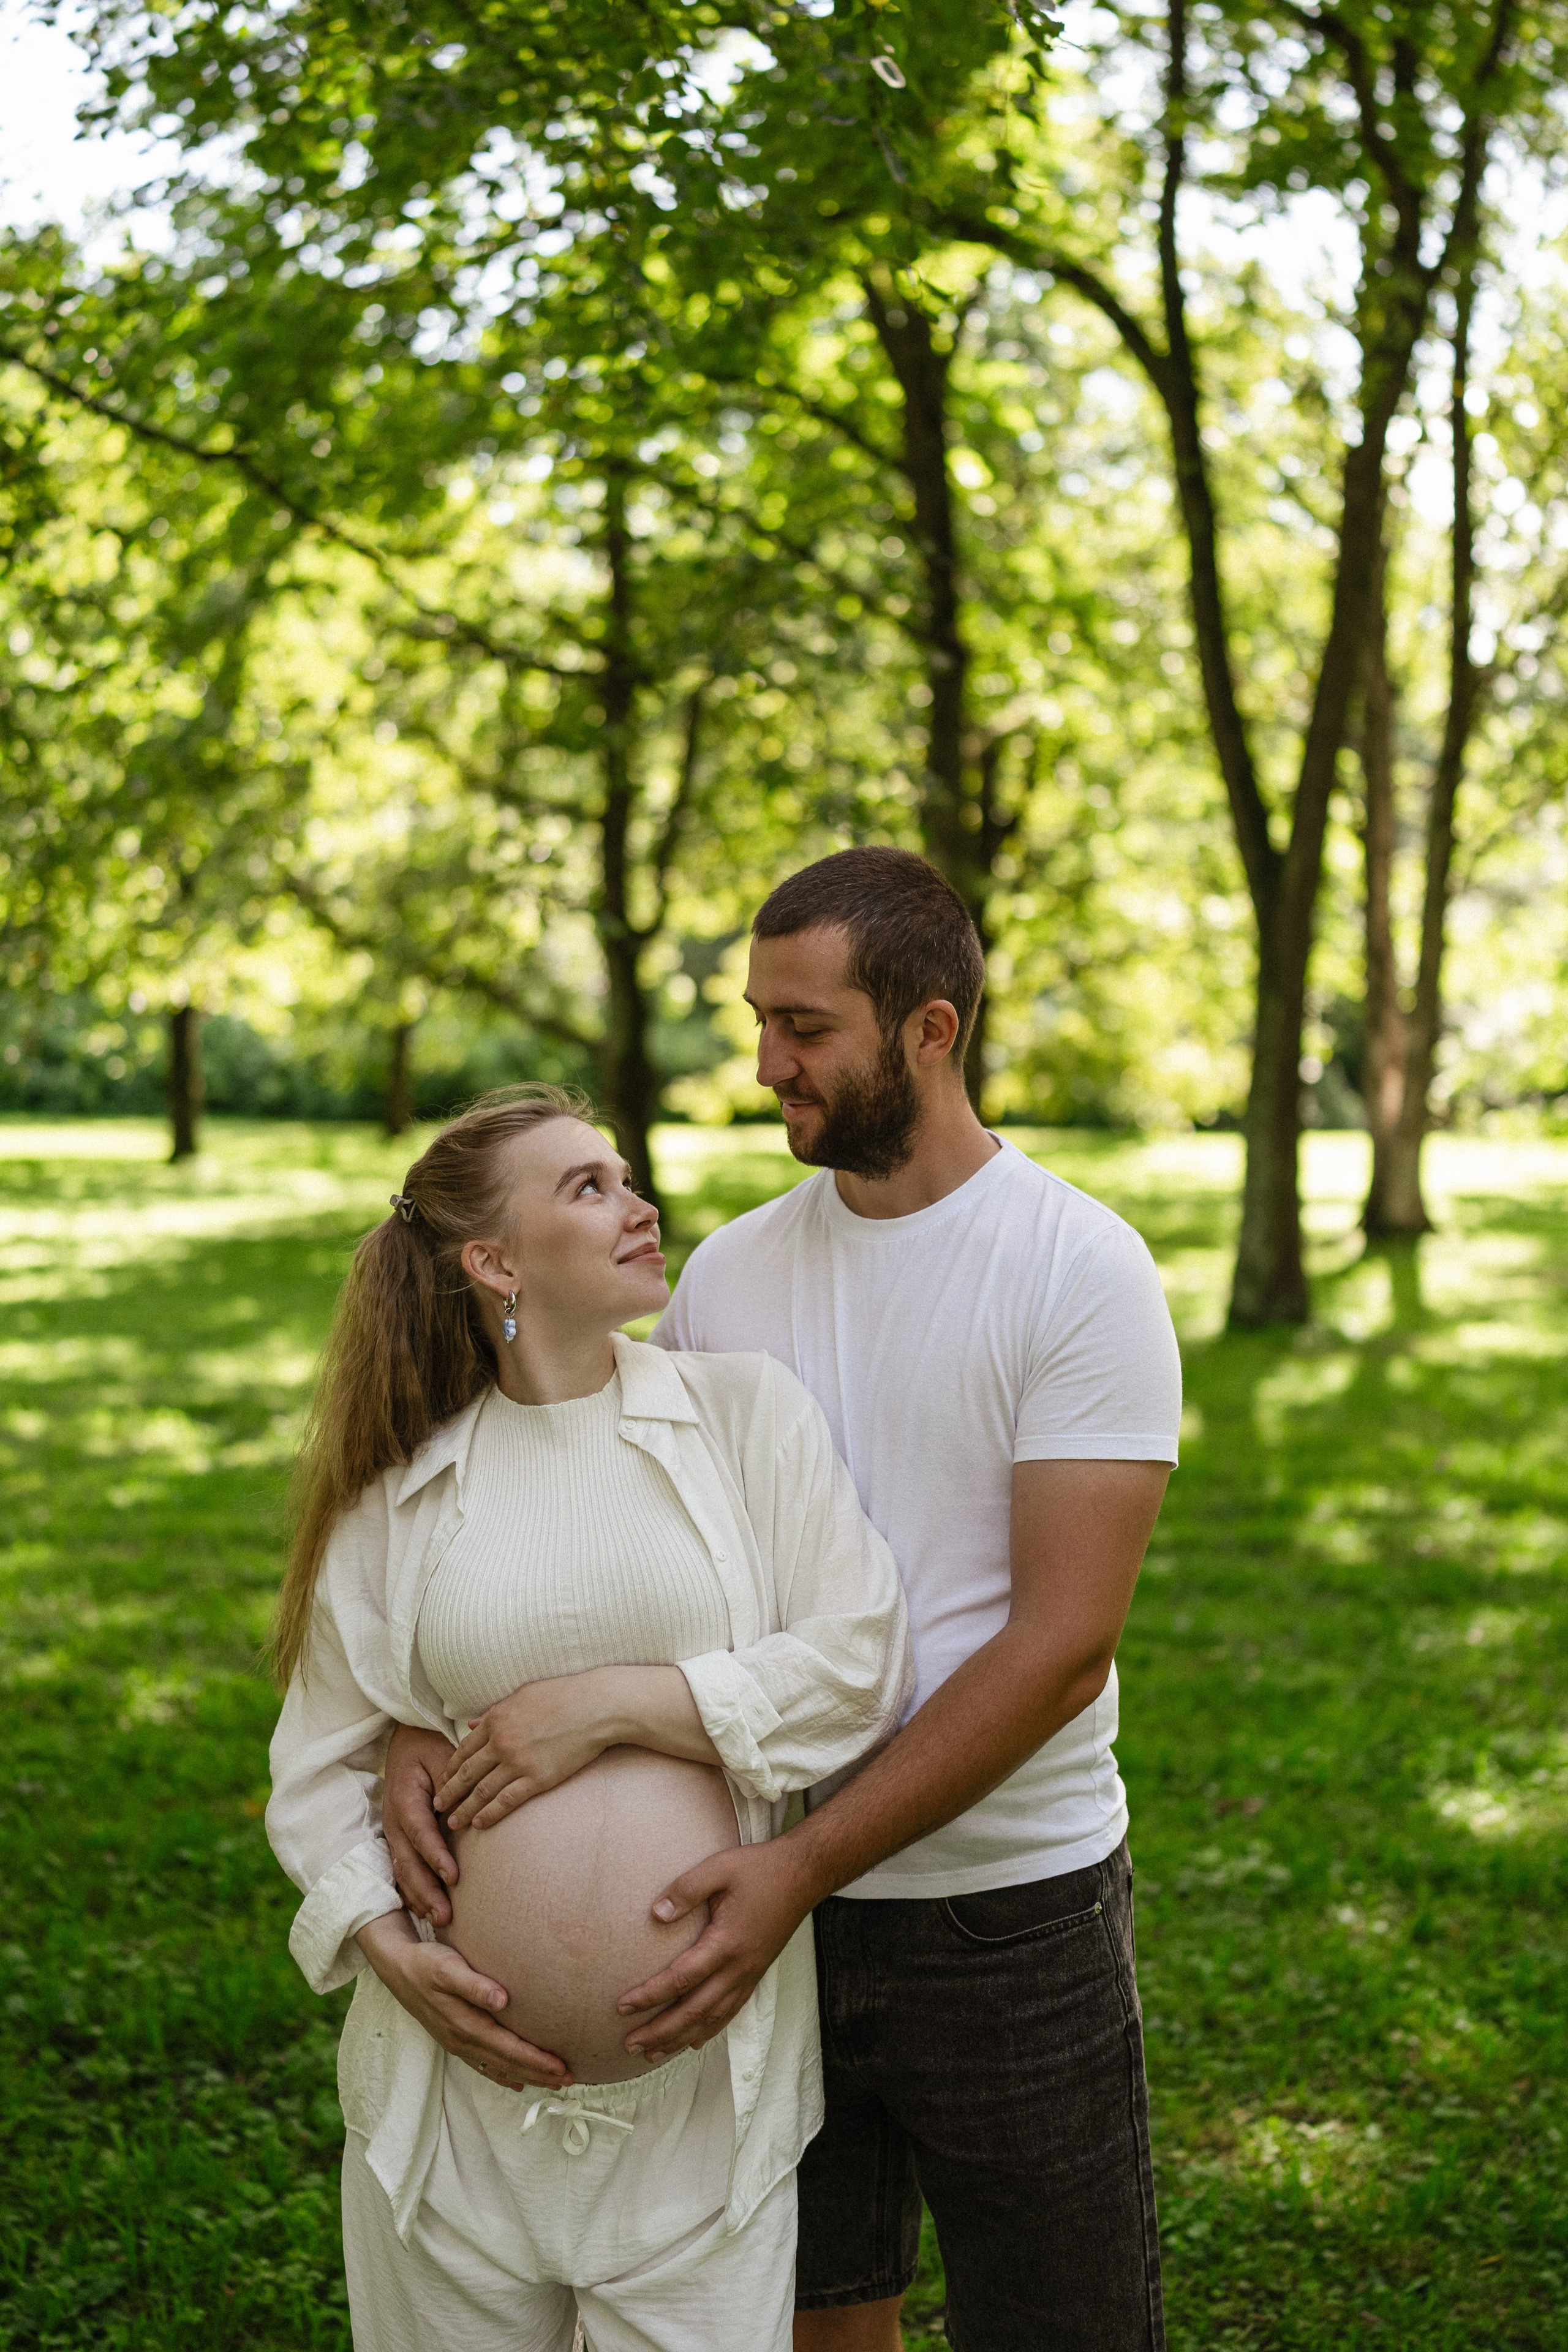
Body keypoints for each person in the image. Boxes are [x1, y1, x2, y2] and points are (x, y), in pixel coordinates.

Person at [386, 848, 1182, 2352]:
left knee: (1063, 2330)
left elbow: (1062, 1648)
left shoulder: (1078, 1269)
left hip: (1001, 1912)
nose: (765, 1066)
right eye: (759, 1022)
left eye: (805, 1028)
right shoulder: (730, 1279)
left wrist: (802, 1864)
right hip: (751, 1922)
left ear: (929, 1031)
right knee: (813, 2328)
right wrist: (416, 1729)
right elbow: (603, 1539)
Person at [266, 1084, 912, 2352]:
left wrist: (624, 1707)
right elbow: (318, 1762)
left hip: (700, 2119)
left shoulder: (742, 1416)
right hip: (449, 2121)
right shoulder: (401, 1494)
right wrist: (389, 1954)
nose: (637, 1204)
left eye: (621, 1177)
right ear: (494, 1262)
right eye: (589, 1187)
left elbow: (859, 1661)